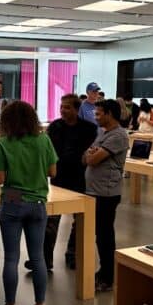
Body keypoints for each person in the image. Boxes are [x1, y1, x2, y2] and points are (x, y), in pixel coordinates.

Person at [0, 101, 57, 305]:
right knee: (37, 258)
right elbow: (52, 171)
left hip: (12, 203)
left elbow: (0, 179)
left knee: (11, 258)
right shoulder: (44, 140)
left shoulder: (3, 143)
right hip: (38, 203)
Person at [23, 94, 97, 272]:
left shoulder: (88, 129)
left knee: (79, 221)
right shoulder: (55, 126)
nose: (63, 110)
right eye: (62, 106)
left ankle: (73, 255)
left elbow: (86, 153)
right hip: (58, 178)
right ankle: (44, 260)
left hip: (81, 178)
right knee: (50, 220)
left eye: (67, 107)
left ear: (76, 109)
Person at [83, 100, 129, 292]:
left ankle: (108, 276)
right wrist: (90, 154)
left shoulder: (118, 135)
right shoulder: (103, 133)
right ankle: (104, 272)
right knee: (98, 234)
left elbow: (92, 159)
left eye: (99, 113)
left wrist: (91, 155)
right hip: (94, 191)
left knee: (104, 236)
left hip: (107, 193)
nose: (96, 116)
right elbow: (85, 157)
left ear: (110, 114)